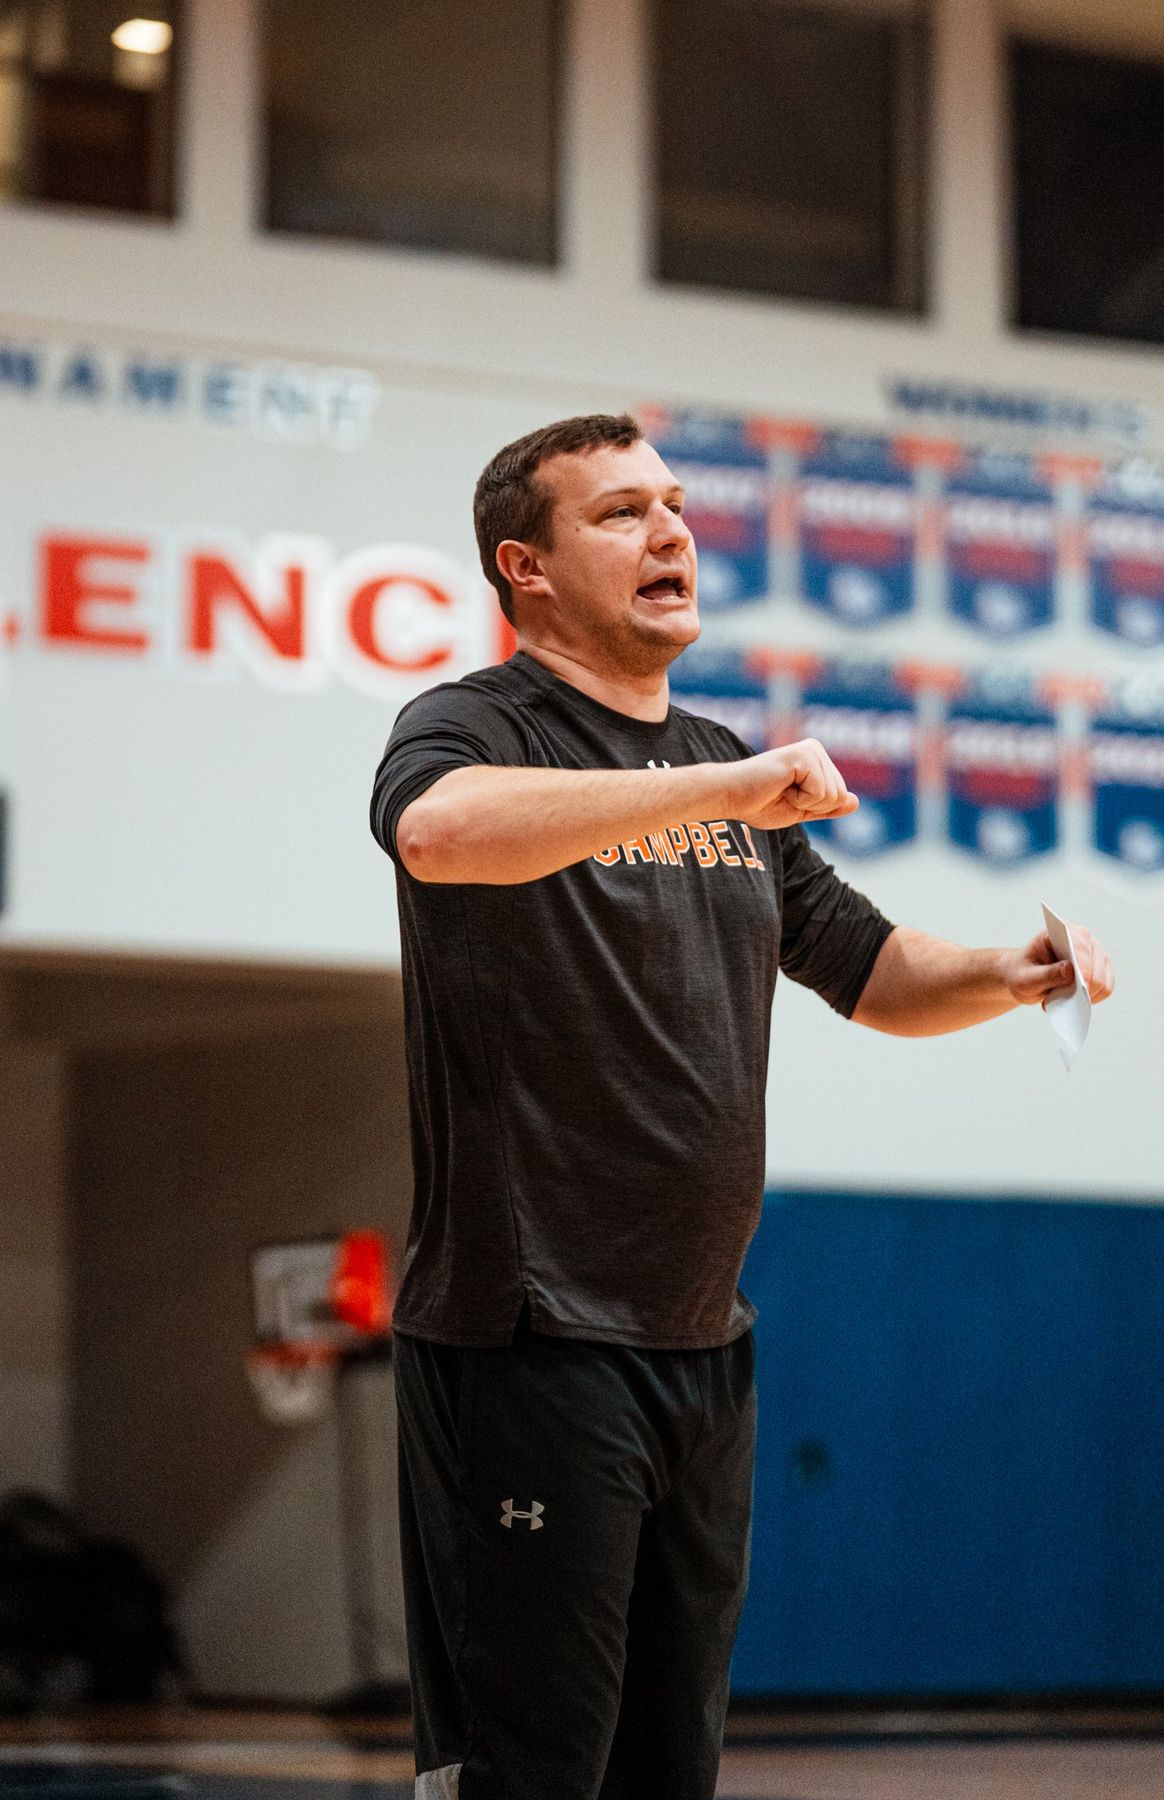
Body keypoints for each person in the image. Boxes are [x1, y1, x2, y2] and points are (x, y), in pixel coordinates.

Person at [369, 413, 1113, 1800]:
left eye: (674, 505)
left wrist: (1010, 975)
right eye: (621, 513)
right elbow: (439, 833)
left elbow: (871, 971)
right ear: (525, 566)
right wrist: (723, 785)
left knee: (670, 1771)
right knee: (530, 1771)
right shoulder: (473, 724)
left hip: (701, 1345)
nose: (671, 532)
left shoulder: (719, 762)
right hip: (530, 1338)